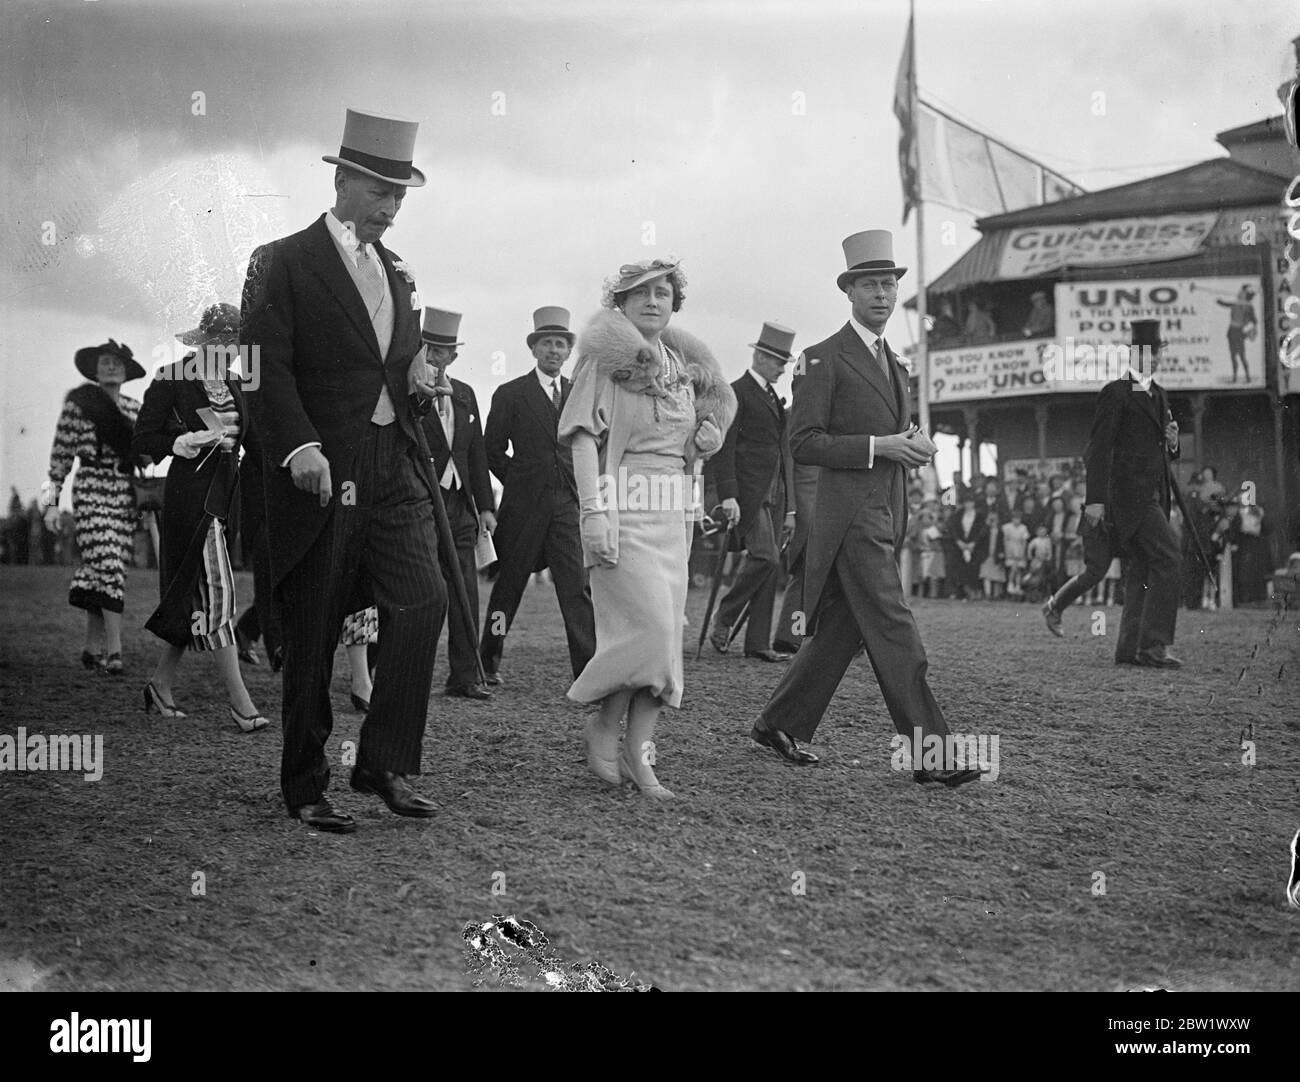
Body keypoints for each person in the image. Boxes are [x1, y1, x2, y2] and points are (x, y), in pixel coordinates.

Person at [240, 108, 448, 833]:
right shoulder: (281, 261)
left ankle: (381, 761)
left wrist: (419, 380)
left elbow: (393, 363)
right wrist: (299, 448)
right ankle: (304, 782)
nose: (391, 208)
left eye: (400, 196)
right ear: (344, 180)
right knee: (317, 621)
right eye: (380, 192)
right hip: (324, 467)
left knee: (425, 599)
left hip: (394, 463)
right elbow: (266, 369)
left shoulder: (399, 272)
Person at [749, 230, 982, 787]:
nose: (881, 294)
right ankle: (933, 754)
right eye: (869, 284)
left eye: (888, 284)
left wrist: (912, 444)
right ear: (849, 292)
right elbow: (804, 443)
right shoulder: (819, 360)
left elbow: (891, 435)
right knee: (896, 629)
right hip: (850, 521)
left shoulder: (896, 365)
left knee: (842, 631)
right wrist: (882, 447)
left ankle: (778, 723)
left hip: (887, 514)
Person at [559, 258, 736, 799]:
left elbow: (694, 434)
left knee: (664, 639)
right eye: (640, 293)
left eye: (663, 292)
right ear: (621, 303)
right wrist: (593, 512)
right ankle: (603, 727)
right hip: (622, 506)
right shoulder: (605, 361)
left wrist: (708, 441)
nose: (653, 301)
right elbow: (583, 437)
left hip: (672, 514)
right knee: (652, 631)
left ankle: (636, 752)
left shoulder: (683, 364)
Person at [132, 302, 269, 732]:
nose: (230, 350)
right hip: (191, 494)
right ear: (205, 341)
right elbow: (143, 438)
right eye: (223, 341)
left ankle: (159, 684)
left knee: (194, 590)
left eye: (235, 343)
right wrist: (180, 440)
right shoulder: (171, 377)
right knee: (218, 589)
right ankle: (240, 702)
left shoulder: (236, 381)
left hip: (229, 494)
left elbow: (256, 442)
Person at [479, 306, 597, 685]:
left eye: (561, 344)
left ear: (567, 352)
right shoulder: (510, 393)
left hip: (566, 505)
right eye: (547, 343)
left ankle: (588, 671)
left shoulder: (579, 394)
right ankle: (487, 663)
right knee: (508, 589)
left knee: (575, 588)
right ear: (534, 349)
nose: (554, 350)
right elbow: (491, 450)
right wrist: (520, 479)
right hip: (523, 508)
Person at [39, 339, 145, 675]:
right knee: (110, 562)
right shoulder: (79, 405)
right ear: (94, 370)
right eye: (105, 361)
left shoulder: (135, 408)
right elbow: (58, 459)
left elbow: (147, 453)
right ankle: (114, 652)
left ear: (127, 370)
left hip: (124, 493)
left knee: (103, 568)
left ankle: (90, 649)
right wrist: (51, 505)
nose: (111, 366)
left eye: (117, 361)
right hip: (90, 489)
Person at [1083, 320, 1182, 668]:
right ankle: (1153, 646)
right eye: (1145, 352)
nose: (1152, 358)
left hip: (1154, 494)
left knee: (1144, 565)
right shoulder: (1116, 392)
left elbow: (1161, 450)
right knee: (1169, 558)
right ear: (1132, 355)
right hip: (1129, 497)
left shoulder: (1159, 394)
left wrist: (1173, 444)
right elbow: (1098, 450)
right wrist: (1094, 499)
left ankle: (1129, 649)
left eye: (1156, 352)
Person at [706, 321, 797, 662]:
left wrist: (789, 508)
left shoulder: (773, 396)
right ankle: (725, 617)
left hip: (775, 493)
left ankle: (758, 644)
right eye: (777, 361)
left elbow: (780, 450)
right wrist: (728, 495)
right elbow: (724, 448)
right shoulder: (736, 393)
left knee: (770, 567)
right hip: (748, 493)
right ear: (759, 356)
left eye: (784, 362)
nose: (782, 368)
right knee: (765, 557)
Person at [417, 308, 497, 700]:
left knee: (465, 590)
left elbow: (477, 454)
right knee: (421, 590)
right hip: (420, 503)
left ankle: (464, 676)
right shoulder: (408, 390)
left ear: (454, 357)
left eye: (443, 351)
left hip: (461, 505)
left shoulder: (465, 394)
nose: (435, 357)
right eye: (429, 349)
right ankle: (392, 668)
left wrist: (485, 507)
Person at [1215, 286, 1257, 383]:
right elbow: (1223, 303)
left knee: (1242, 356)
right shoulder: (1235, 304)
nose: (1239, 294)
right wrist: (1217, 299)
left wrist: (1247, 331)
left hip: (1239, 332)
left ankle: (1247, 377)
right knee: (1233, 355)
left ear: (1245, 296)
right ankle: (1234, 377)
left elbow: (1254, 321)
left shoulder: (1249, 307)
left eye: (1242, 293)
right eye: (1239, 293)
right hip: (1232, 331)